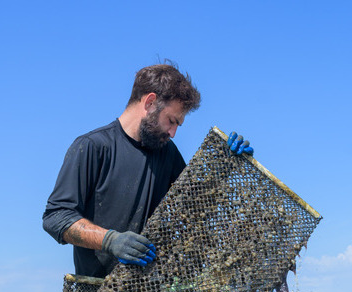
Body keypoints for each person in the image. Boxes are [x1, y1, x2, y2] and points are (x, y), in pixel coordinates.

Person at [43, 62, 253, 278]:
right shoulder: (93, 147)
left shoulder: (167, 154)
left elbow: (196, 204)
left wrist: (224, 164)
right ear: (150, 102)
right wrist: (110, 240)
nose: (173, 133)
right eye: (171, 121)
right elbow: (56, 217)